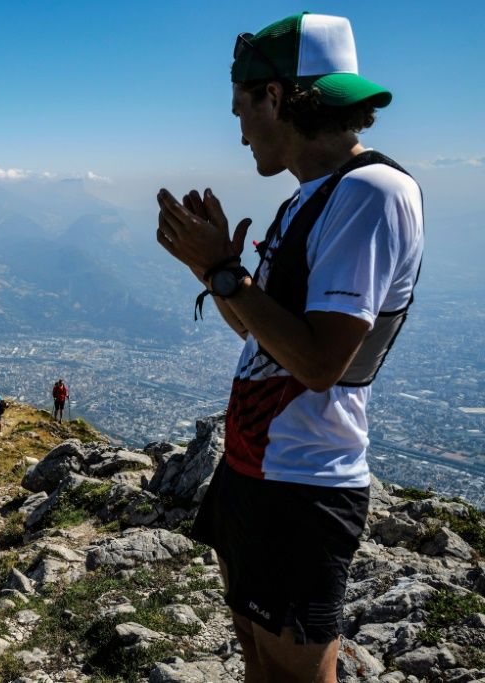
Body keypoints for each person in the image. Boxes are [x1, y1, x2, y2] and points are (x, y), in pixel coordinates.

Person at [156, 13, 423, 683]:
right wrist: (211, 273)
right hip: (255, 472)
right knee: (258, 664)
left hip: (303, 485)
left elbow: (319, 363)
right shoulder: (311, 199)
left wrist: (224, 270)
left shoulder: (372, 192)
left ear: (275, 97)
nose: (240, 130)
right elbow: (262, 337)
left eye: (242, 108)